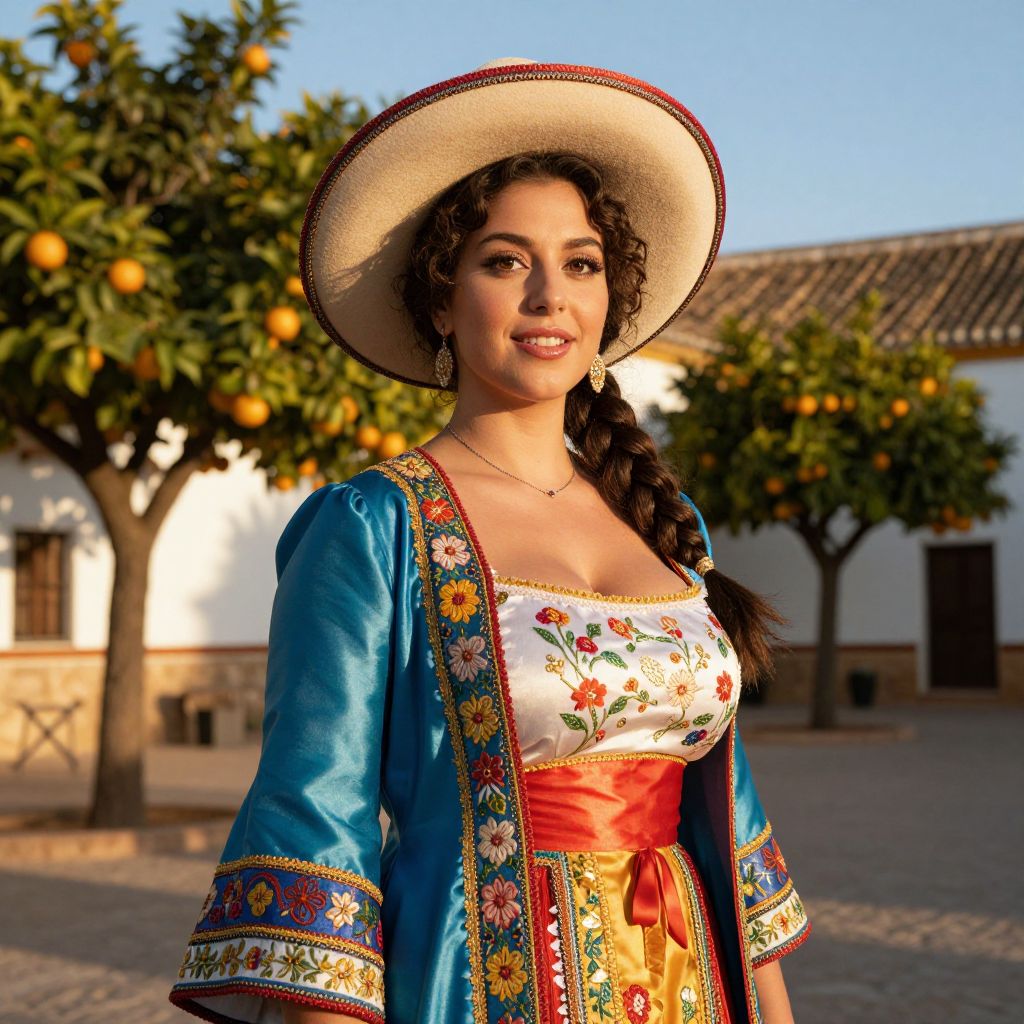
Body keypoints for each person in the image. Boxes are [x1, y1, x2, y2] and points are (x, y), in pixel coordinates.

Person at [169, 60, 811, 1024]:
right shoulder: (372, 526)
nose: (549, 294)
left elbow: (728, 812)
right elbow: (317, 821)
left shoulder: (667, 526)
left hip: (692, 984)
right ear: (439, 297)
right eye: (506, 261)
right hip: (473, 984)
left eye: (581, 263)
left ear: (608, 301)